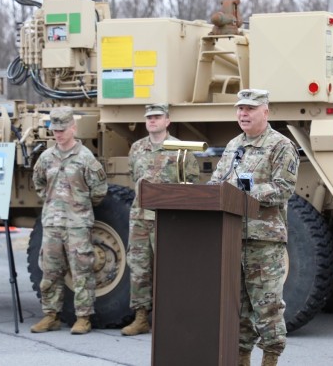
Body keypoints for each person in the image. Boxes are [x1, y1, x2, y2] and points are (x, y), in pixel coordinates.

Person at [209, 89, 299, 366]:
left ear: (265, 112)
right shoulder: (234, 145)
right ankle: (241, 359)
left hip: (263, 240)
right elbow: (217, 182)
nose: (243, 114)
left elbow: (284, 190)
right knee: (238, 308)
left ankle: (270, 358)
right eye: (240, 109)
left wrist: (245, 192)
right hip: (233, 237)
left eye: (249, 109)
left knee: (268, 307)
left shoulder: (280, 146)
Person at [121, 103, 200, 336]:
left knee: (171, 268)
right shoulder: (137, 148)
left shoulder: (180, 149)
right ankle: (141, 316)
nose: (152, 121)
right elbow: (134, 176)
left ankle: (173, 317)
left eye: (157, 117)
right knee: (139, 267)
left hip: (167, 217)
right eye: (149, 117)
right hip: (139, 216)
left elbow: (191, 183)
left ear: (167, 121)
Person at [30, 106, 108, 335]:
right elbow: (39, 184)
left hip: (77, 223)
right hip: (53, 222)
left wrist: (78, 205)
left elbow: (99, 190)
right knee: (50, 269)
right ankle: (50, 315)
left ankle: (83, 318)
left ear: (73, 128)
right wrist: (55, 203)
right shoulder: (46, 158)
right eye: (55, 130)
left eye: (62, 129)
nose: (58, 134)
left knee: (82, 269)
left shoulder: (85, 158)